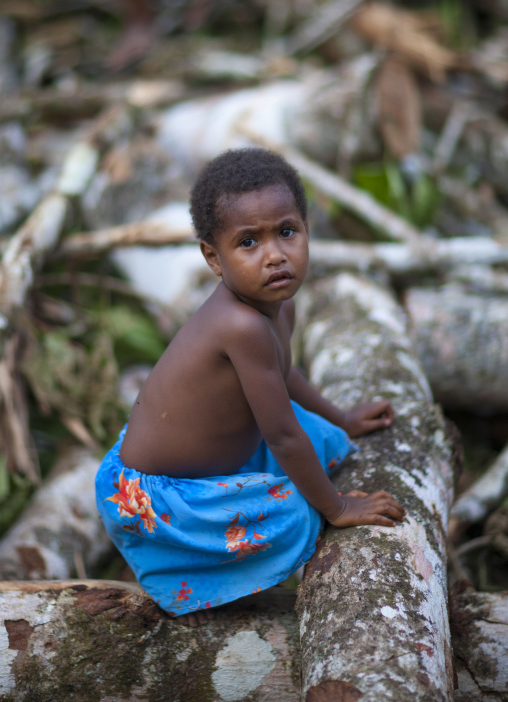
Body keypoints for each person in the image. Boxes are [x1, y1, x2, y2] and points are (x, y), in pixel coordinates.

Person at [95, 148, 406, 627]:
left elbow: (283, 377)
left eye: (286, 232)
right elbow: (281, 436)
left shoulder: (280, 305)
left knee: (323, 436)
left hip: (219, 457)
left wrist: (341, 417)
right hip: (161, 501)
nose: (275, 255)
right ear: (213, 258)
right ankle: (181, 577)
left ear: (306, 229)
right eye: (248, 242)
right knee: (300, 516)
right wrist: (338, 506)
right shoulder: (241, 326)